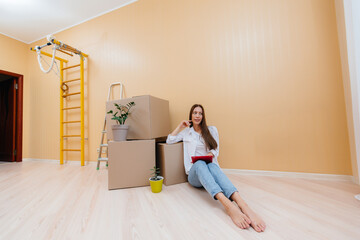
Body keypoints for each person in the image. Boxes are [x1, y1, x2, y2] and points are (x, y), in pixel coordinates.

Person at [166, 104, 266, 232]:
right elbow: (170, 140)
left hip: (209, 170)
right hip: (194, 174)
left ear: (203, 116)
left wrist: (210, 154)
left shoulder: (211, 130)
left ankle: (243, 205)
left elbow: (216, 149)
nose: (197, 115)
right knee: (200, 163)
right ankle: (228, 206)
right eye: (195, 113)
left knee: (212, 165)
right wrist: (180, 126)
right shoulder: (187, 132)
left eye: (200, 113)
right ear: (191, 115)